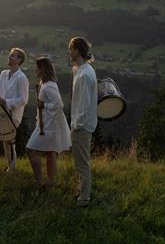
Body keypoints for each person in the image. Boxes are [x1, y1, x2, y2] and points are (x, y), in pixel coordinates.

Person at [26, 57, 71, 190]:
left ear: (42, 69)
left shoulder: (50, 85)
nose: (35, 69)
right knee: (50, 153)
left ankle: (40, 181)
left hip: (50, 124)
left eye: (36, 67)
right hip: (45, 122)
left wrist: (43, 104)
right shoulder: (44, 84)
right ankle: (49, 182)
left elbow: (59, 105)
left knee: (30, 149)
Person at [0, 47, 29, 171]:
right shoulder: (4, 74)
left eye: (13, 56)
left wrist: (7, 102)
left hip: (12, 115)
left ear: (19, 60)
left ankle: (12, 169)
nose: (10, 57)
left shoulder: (22, 78)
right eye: (10, 55)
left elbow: (23, 100)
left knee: (8, 143)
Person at [68, 37, 98, 207]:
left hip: (82, 125)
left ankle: (84, 198)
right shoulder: (81, 70)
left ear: (77, 51)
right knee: (80, 161)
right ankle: (81, 191)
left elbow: (85, 105)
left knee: (82, 163)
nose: (69, 52)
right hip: (81, 124)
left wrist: (76, 125)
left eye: (70, 49)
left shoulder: (85, 74)